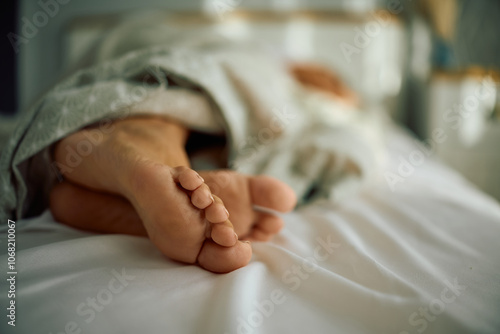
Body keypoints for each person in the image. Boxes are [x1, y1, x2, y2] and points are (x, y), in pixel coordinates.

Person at [48, 63, 358, 273]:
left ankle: (145, 143)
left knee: (190, 95)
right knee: (206, 81)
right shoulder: (274, 67)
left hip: (220, 128)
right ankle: (152, 137)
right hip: (228, 91)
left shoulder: (321, 105)